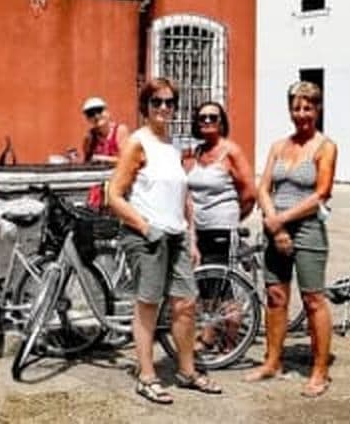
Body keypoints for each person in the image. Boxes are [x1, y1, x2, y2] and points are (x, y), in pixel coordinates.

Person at [108, 77, 222, 405]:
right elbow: (114, 195)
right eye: (156, 102)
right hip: (147, 237)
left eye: (169, 102)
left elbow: (183, 195)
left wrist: (192, 236)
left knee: (186, 303)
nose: (163, 108)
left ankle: (187, 371)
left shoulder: (173, 145)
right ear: (145, 106)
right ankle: (146, 376)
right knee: (148, 306)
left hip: (176, 236)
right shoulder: (137, 143)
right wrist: (144, 226)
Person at [244, 81, 337, 398]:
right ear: (290, 110)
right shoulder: (278, 146)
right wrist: (275, 226)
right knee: (275, 296)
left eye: (308, 107)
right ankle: (272, 361)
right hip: (276, 230)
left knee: (313, 300)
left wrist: (281, 220)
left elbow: (321, 193)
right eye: (297, 107)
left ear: (317, 108)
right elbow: (263, 187)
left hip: (309, 228)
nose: (302, 114)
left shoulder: (325, 147)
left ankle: (320, 370)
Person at [186, 101, 256, 265]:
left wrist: (233, 217)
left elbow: (250, 194)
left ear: (221, 123)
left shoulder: (231, 152)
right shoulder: (197, 152)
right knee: (199, 283)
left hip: (221, 229)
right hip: (196, 231)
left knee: (219, 284)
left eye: (213, 117)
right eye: (202, 118)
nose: (207, 121)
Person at [80, 96, 129, 164]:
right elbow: (87, 161)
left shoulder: (120, 130)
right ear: (88, 119)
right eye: (91, 114)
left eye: (99, 111)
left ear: (107, 112)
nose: (96, 116)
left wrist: (103, 159)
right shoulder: (90, 137)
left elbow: (127, 160)